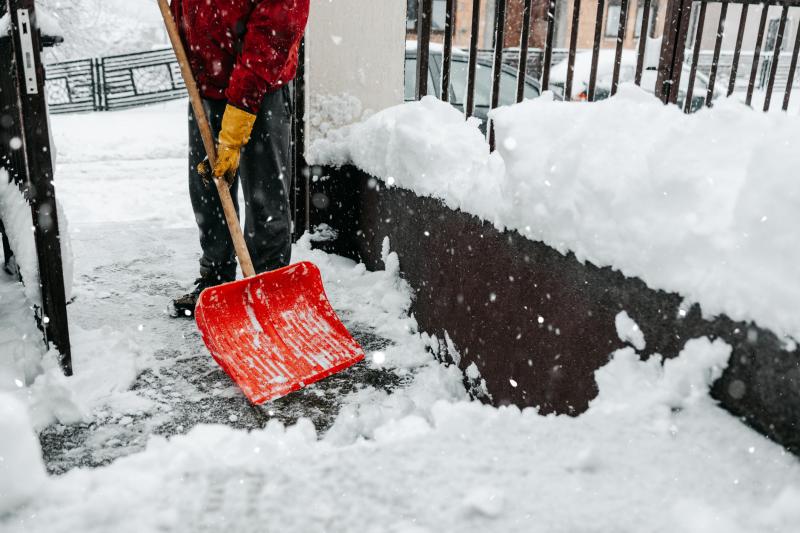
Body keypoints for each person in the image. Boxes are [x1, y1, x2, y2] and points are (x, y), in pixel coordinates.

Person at [170, 0, 310, 317]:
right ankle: (216, 281)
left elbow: (277, 26)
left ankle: (268, 288)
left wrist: (243, 104)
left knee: (264, 194)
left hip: (263, 86)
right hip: (205, 86)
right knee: (208, 188)